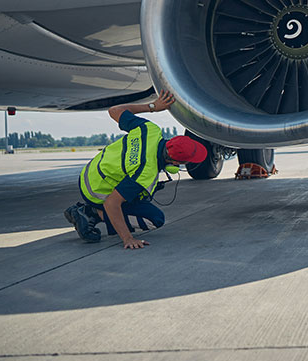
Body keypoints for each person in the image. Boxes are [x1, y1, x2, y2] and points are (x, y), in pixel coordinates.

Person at [64, 90, 208, 250]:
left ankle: (93, 211)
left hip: (90, 172)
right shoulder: (145, 172)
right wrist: (128, 239)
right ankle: (89, 212)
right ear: (174, 162)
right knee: (154, 219)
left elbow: (114, 111)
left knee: (139, 196)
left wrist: (153, 106)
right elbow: (112, 203)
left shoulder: (149, 130)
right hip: (95, 190)